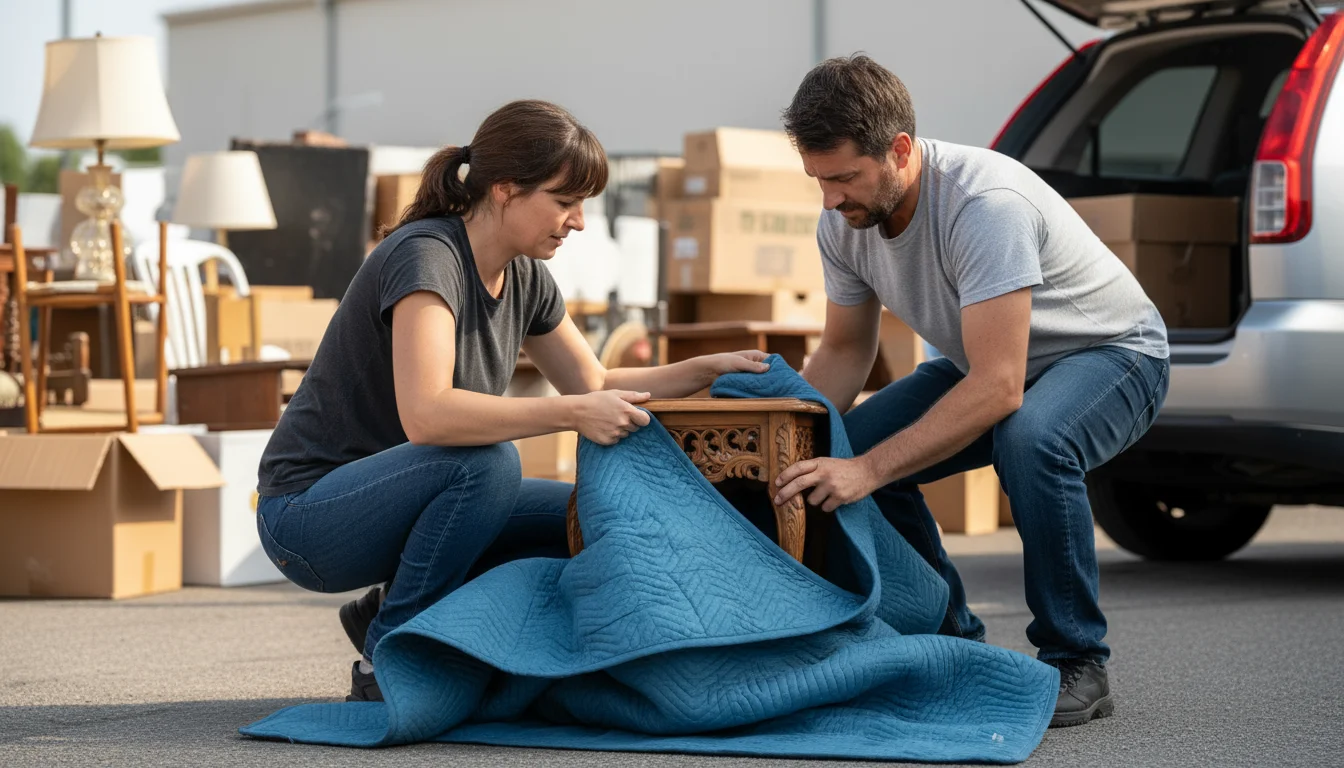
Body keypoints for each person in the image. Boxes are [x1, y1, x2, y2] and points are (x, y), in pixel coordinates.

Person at [253, 99, 770, 702]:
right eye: (564, 201)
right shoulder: (428, 256)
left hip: (399, 499)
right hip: (308, 517)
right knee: (487, 465)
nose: (577, 221)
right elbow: (430, 415)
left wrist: (703, 370)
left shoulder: (526, 277)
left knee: (591, 515)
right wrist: (572, 415)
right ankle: (392, 655)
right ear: (504, 189)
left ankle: (397, 617)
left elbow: (593, 384)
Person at [772, 56, 1170, 728]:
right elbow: (844, 350)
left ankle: (1076, 659)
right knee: (852, 444)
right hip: (986, 360)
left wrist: (865, 473)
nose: (830, 200)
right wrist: (781, 441)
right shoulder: (842, 222)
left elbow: (999, 388)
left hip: (1111, 354)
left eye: (844, 178)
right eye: (818, 180)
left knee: (1031, 440)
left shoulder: (985, 205)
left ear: (899, 150)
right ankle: (949, 635)